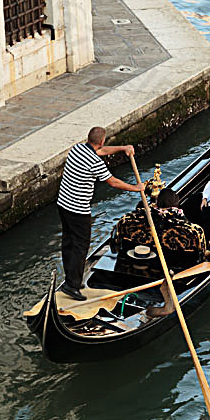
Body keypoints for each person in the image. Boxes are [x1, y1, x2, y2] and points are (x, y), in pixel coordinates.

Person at [56, 126, 144, 301]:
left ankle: (72, 279)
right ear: (102, 141)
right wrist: (136, 188)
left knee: (68, 243)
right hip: (78, 210)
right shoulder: (94, 162)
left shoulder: (77, 148)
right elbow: (112, 182)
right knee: (81, 247)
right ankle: (72, 286)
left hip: (63, 204)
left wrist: (123, 148)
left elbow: (101, 150)